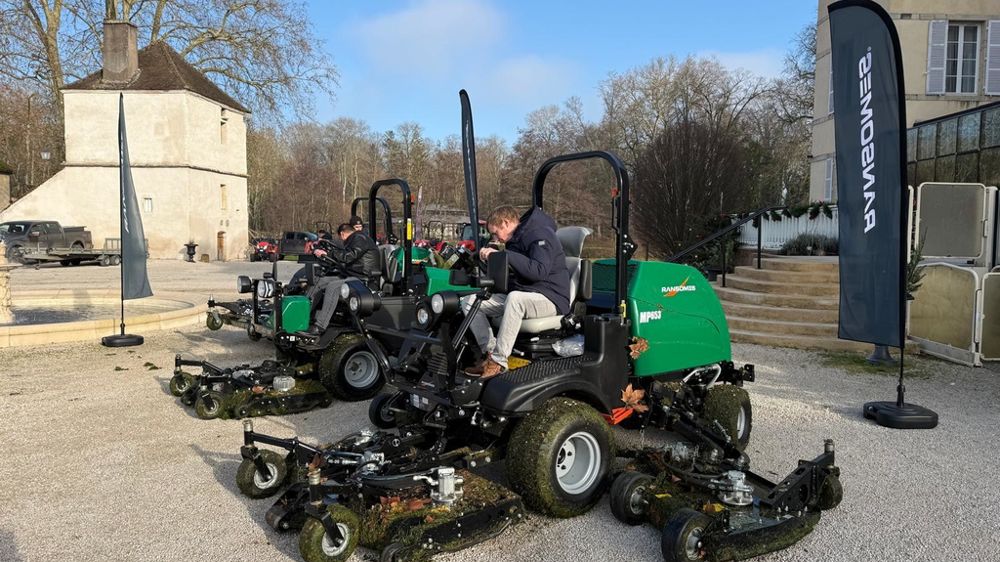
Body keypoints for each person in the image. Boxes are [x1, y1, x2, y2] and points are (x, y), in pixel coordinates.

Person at [463, 205, 570, 379]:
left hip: (550, 297)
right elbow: (513, 274)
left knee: (515, 298)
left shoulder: (540, 235)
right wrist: (490, 260)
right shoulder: (516, 241)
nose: (495, 238)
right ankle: (490, 354)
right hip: (525, 292)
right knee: (470, 302)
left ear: (505, 223)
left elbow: (538, 271)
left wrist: (505, 255)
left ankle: (498, 362)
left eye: (496, 233)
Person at [305, 222, 380, 335]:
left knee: (333, 287)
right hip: (351, 274)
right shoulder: (355, 239)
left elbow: (349, 256)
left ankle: (320, 326)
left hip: (362, 278)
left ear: (342, 234)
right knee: (320, 281)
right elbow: (345, 256)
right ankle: (303, 316)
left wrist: (328, 254)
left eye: (341, 238)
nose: (342, 241)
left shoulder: (359, 238)